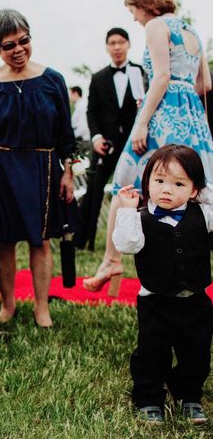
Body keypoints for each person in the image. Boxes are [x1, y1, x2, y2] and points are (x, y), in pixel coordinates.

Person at [84, 0, 213, 293]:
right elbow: (205, 85)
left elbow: (161, 78)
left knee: (125, 183)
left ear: (145, 4)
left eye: (133, 10)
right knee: (196, 188)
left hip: (164, 115)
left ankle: (112, 260)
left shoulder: (157, 26)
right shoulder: (192, 31)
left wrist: (141, 123)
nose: (134, 19)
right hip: (193, 117)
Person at [0, 9, 75, 328]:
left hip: (43, 166)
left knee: (40, 240)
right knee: (4, 240)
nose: (18, 50)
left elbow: (66, 134)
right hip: (1, 168)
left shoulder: (53, 79)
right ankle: (9, 305)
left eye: (23, 41)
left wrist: (68, 172)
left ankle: (42, 308)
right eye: (8, 45)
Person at [113, 145, 212, 424]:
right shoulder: (141, 218)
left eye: (178, 183)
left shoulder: (203, 214)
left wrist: (203, 192)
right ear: (146, 183)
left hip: (195, 300)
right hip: (155, 302)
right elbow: (127, 244)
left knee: (198, 352)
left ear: (195, 190)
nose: (166, 190)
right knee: (151, 353)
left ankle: (189, 395)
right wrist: (127, 210)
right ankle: (148, 398)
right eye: (159, 181)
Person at [74, 27, 146, 250]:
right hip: (105, 144)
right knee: (93, 191)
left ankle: (141, 240)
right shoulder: (98, 78)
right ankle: (83, 240)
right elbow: (91, 112)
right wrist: (96, 137)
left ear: (128, 44)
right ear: (107, 47)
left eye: (121, 42)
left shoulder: (140, 72)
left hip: (136, 143)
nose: (117, 47)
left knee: (141, 190)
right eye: (112, 43)